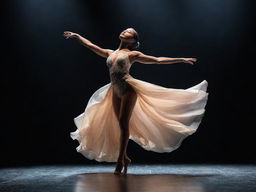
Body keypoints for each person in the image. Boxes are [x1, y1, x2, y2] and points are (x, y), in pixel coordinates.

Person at [63, 28, 209, 176]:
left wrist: (181, 59)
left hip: (128, 88)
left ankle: (120, 160)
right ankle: (125, 157)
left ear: (132, 41)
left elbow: (157, 60)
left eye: (129, 33)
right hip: (114, 90)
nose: (125, 32)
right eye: (125, 30)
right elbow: (91, 46)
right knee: (119, 125)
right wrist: (77, 36)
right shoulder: (110, 53)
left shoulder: (132, 54)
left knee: (123, 123)